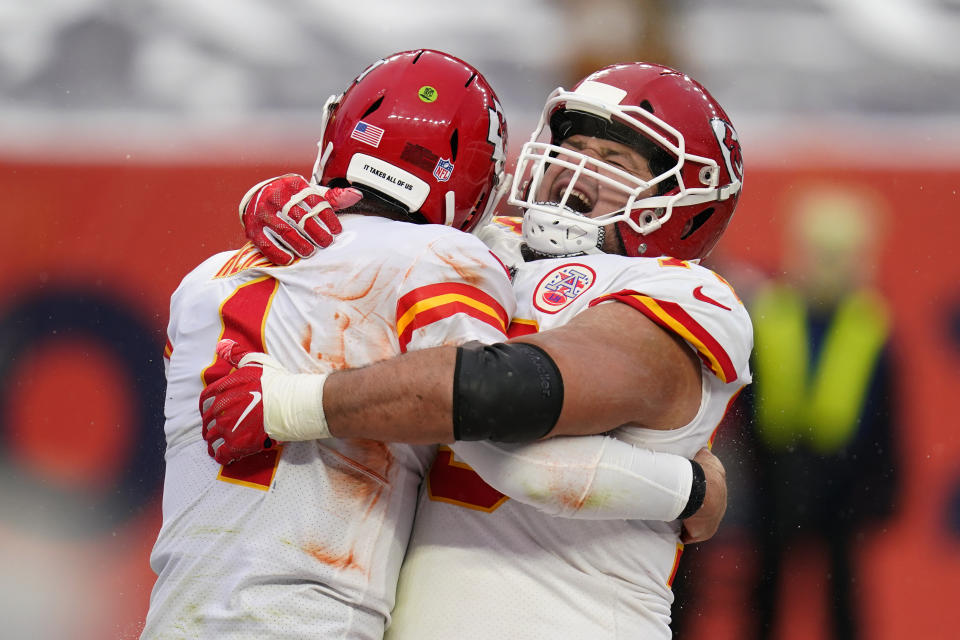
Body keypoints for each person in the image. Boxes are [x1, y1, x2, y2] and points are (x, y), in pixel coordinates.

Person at [204, 62, 751, 639]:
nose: (576, 174)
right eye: (573, 149)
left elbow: (502, 397)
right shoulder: (487, 250)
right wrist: (284, 201)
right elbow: (376, 220)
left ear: (686, 201)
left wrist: (290, 404)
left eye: (614, 163)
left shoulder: (684, 293)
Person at [141, 49, 520, 639]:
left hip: (176, 616)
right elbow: (493, 402)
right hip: (305, 619)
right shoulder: (444, 260)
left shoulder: (204, 279)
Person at [743, 187, 898, 640]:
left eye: (842, 256)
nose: (830, 268)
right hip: (774, 473)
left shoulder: (870, 325)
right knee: (764, 593)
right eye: (820, 254)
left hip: (843, 482)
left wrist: (881, 487)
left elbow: (888, 418)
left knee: (842, 599)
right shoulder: (768, 312)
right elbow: (741, 402)